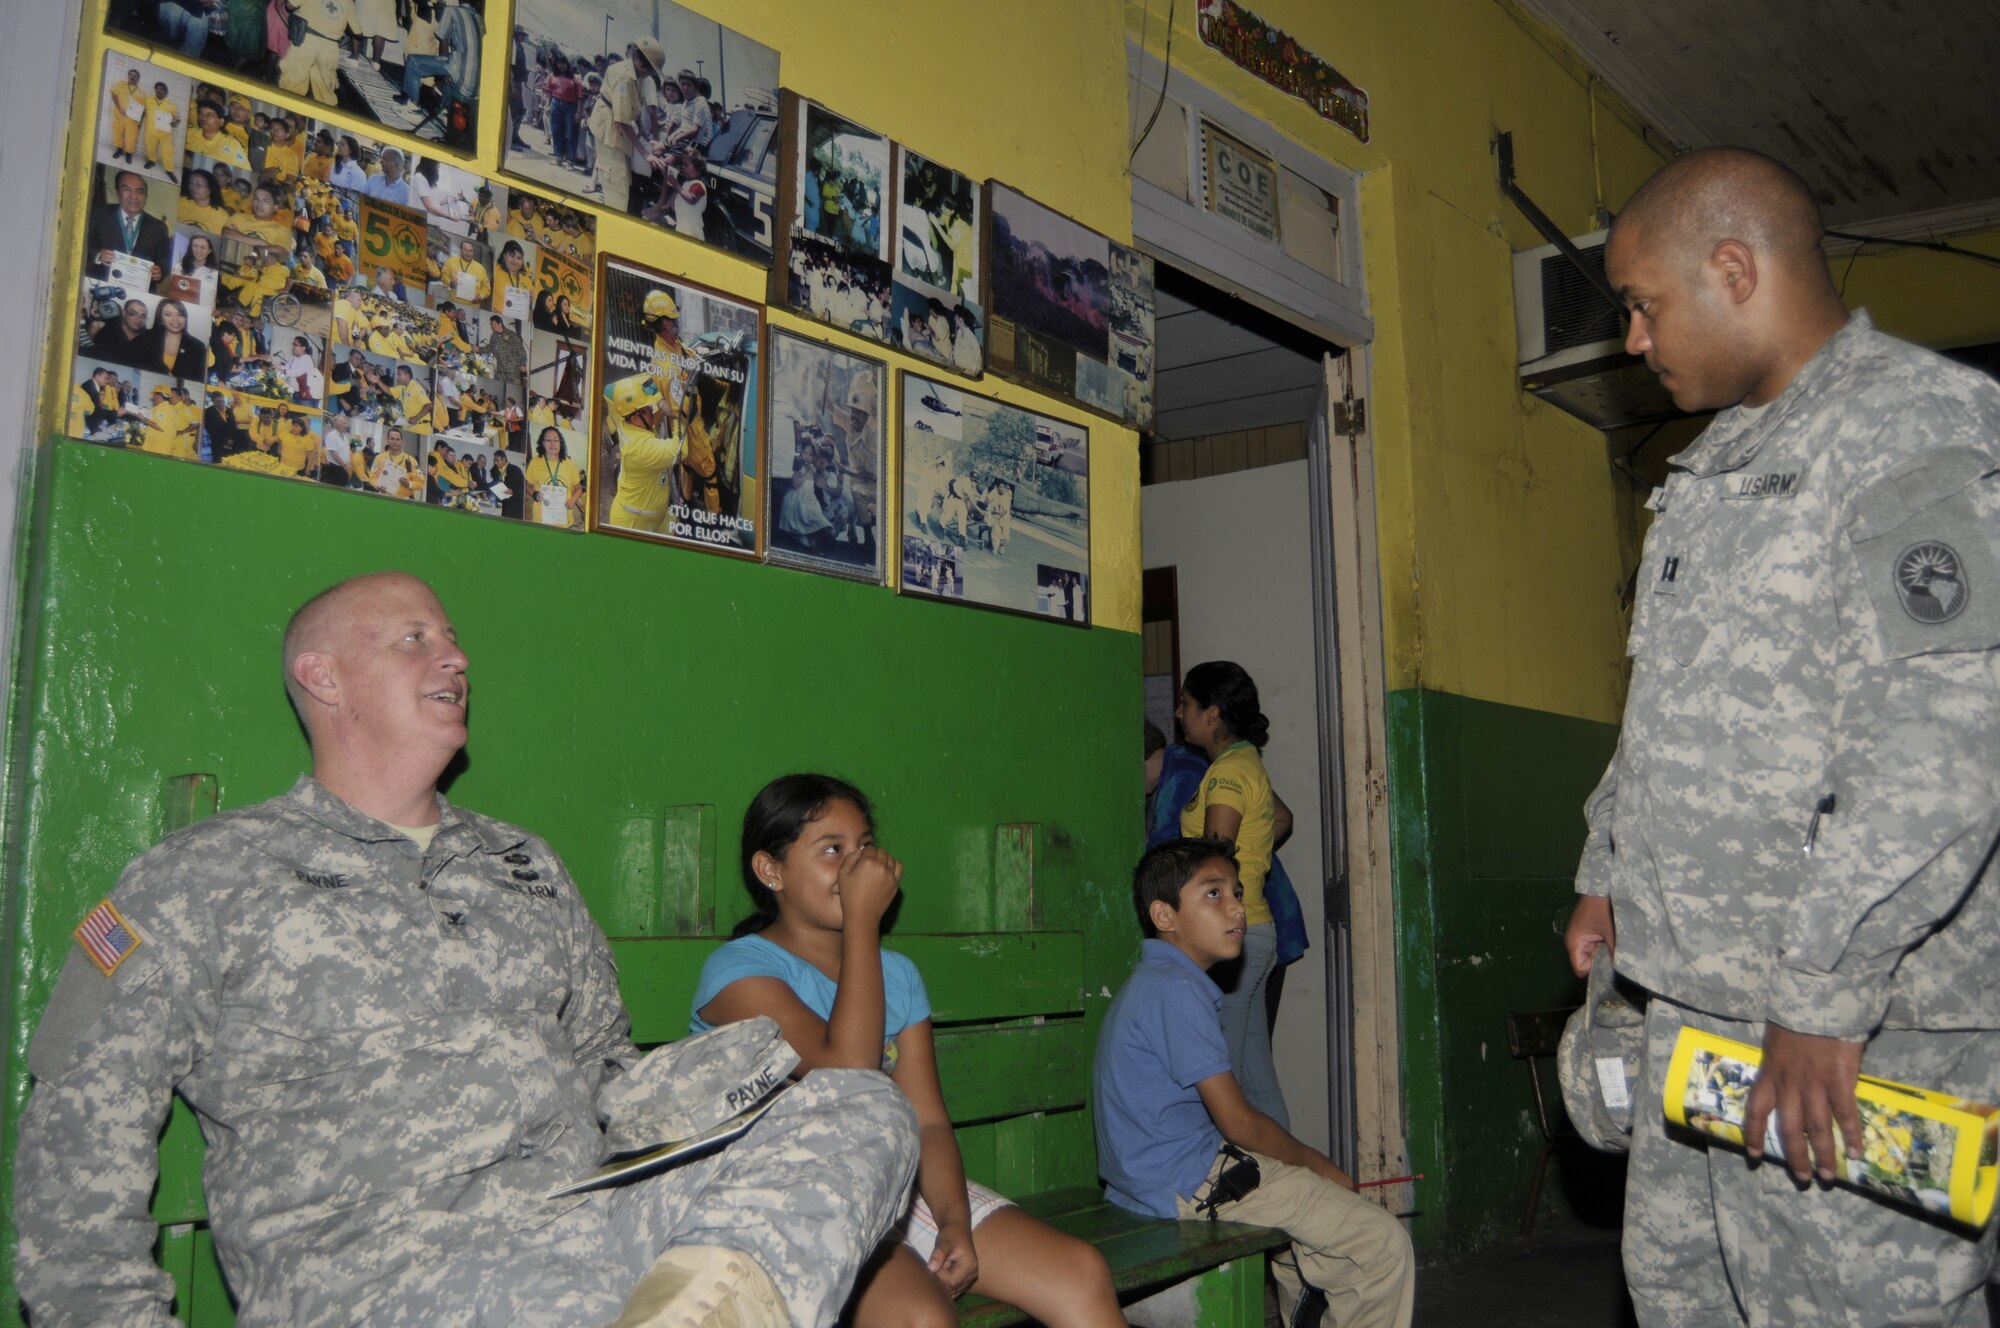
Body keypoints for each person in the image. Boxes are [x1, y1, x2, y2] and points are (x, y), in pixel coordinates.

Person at [14, 574, 922, 1321]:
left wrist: (725, 1081)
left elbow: (610, 1071)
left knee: (858, 1110)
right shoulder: (197, 879)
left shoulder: (521, 864)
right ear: (323, 677)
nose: (455, 656)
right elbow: (74, 1161)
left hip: (586, 1224)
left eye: (451, 639)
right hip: (381, 1278)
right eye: (412, 638)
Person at [1561, 147, 2000, 1326]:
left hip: (1855, 1033)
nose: (1634, 341)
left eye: (1642, 307)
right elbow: (1661, 709)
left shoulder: (1914, 428)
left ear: (1733, 270)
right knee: (1687, 1299)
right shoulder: (1708, 471)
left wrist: (1824, 991)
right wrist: (1606, 875)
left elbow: (1944, 746)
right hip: (1694, 1013)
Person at [693, 775, 1123, 1328]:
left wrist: (954, 1221)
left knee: (1082, 1271)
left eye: (865, 847)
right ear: (770, 870)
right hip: (788, 1203)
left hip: (892, 1186)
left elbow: (927, 1121)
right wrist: (864, 923)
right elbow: (846, 1075)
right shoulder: (738, 972)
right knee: (922, 1316)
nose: (857, 865)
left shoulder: (896, 975)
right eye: (832, 850)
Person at [1097, 838, 1415, 1328]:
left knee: (1306, 1239)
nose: (1236, 908)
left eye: (1238, 893)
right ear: (1164, 916)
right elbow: (1239, 1122)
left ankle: (1308, 1301)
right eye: (1213, 893)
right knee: (1380, 1242)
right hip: (1185, 1185)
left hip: (1150, 1179)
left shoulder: (1158, 982)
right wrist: (1322, 1165)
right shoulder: (1176, 992)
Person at [1174, 661, 1294, 1128]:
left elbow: (1215, 858)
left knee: (1226, 1084)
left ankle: (1274, 1188)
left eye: (1186, 704)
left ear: (1211, 713)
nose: (1180, 713)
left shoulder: (1226, 774)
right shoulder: (1246, 762)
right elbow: (1281, 818)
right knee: (1257, 1082)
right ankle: (1296, 1181)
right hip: (1256, 929)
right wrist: (1255, 857)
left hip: (1235, 938)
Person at [588, 36, 663, 213]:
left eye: (652, 70)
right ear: (637, 57)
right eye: (648, 68)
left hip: (619, 132)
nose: (650, 73)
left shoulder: (638, 75)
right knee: (616, 188)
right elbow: (622, 120)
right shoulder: (623, 76)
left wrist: (648, 139)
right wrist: (646, 154)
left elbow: (633, 113)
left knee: (623, 183)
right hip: (609, 131)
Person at [87, 169, 173, 283]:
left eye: (139, 191)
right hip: (100, 284)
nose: (134, 196)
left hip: (140, 292)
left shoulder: (159, 227)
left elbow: (165, 260)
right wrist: (98, 255)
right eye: (126, 189)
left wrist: (160, 271)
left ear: (146, 196)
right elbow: (84, 242)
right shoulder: (99, 213)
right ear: (117, 192)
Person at [525, 424, 583, 527]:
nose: (552, 444)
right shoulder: (535, 462)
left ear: (560, 444)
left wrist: (572, 500)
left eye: (556, 440)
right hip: (541, 519)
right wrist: (535, 495)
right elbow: (528, 486)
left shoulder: (570, 464)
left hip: (564, 520)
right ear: (543, 443)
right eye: (548, 440)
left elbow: (578, 489)